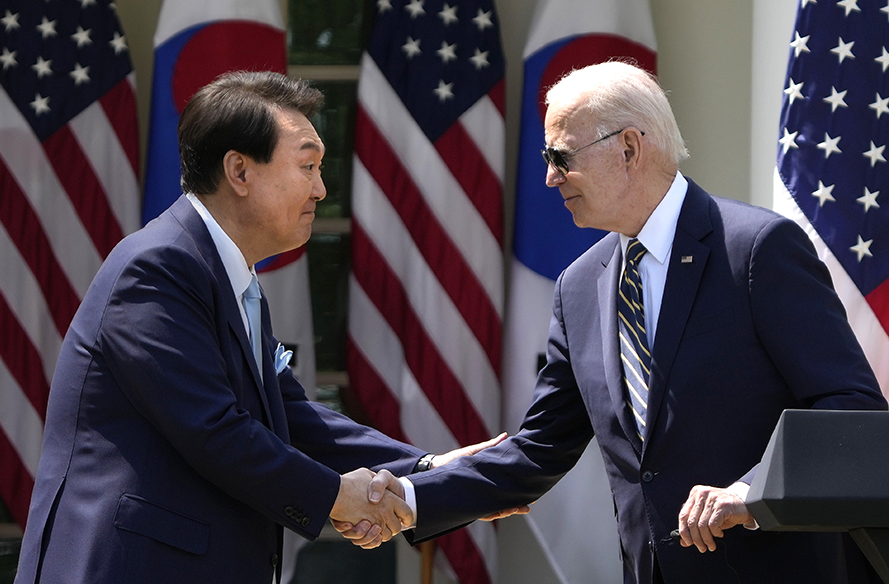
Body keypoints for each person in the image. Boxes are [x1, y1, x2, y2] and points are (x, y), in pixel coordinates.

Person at [350, 61, 888, 583]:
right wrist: (413, 496)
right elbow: (540, 448)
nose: (548, 176)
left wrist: (750, 494)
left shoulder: (755, 250)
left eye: (560, 156)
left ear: (629, 147)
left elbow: (850, 409)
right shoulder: (579, 287)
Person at [13, 70, 498, 584]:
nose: (321, 188)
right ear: (239, 172)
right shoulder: (157, 268)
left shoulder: (228, 277)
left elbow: (290, 416)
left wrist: (427, 470)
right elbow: (215, 430)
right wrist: (339, 496)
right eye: (308, 166)